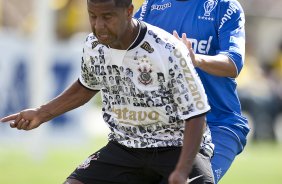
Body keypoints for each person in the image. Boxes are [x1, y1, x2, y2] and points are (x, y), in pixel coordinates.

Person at [0, 0, 214, 183]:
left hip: (176, 146)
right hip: (124, 147)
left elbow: (196, 113)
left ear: (129, 11)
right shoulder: (93, 46)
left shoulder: (167, 49)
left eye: (107, 17)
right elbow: (86, 86)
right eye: (92, 16)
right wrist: (41, 113)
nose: (98, 25)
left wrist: (182, 170)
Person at [134, 0, 250, 183]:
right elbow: (125, 43)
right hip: (165, 127)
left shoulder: (224, 6)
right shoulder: (151, 5)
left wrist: (194, 59)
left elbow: (234, 63)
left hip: (217, 124)